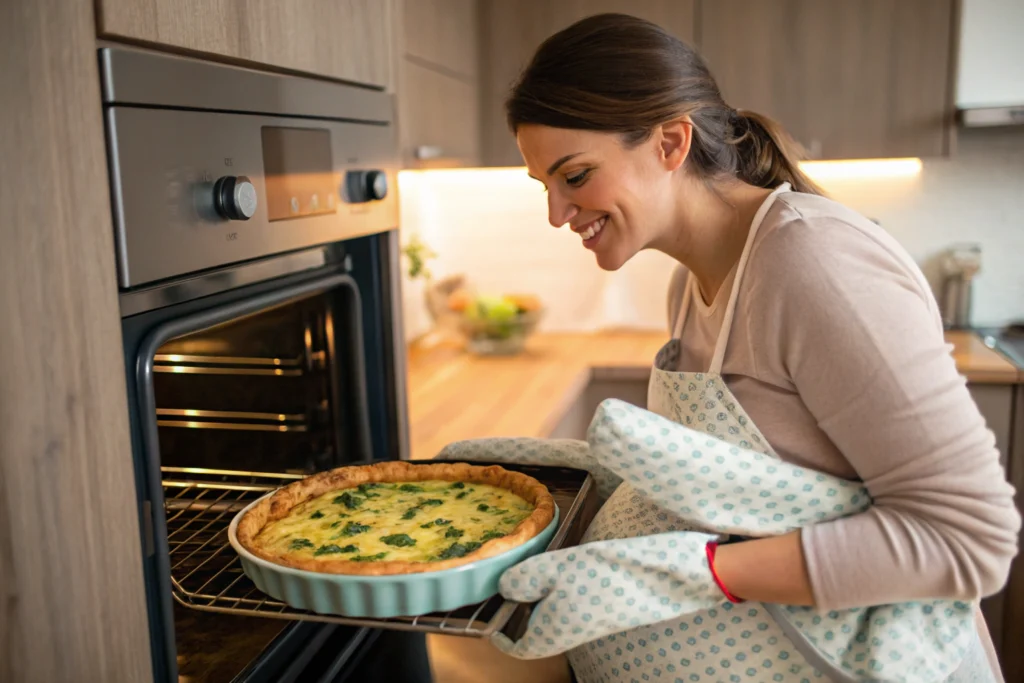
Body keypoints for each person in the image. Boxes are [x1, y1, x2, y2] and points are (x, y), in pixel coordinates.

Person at [438, 12, 1021, 683]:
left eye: (575, 176)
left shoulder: (813, 264)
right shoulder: (691, 283)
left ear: (670, 142)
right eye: (545, 186)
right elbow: (747, 490)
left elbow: (968, 538)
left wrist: (704, 571)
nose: (556, 213)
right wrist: (597, 483)